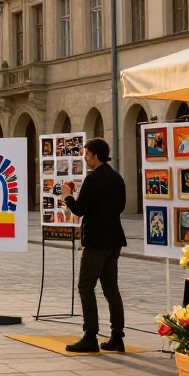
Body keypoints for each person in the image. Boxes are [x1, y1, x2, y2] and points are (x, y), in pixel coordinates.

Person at [61, 137, 127, 353]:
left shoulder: (94, 178)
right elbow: (122, 206)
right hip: (114, 239)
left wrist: (68, 197)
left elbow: (79, 209)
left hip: (96, 240)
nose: (85, 158)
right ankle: (117, 336)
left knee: (85, 287)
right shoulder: (117, 177)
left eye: (87, 155)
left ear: (95, 155)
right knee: (111, 289)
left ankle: (90, 335)